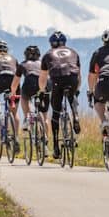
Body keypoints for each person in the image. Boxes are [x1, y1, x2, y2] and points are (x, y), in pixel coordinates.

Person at [38, 30, 81, 159]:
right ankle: (75, 115)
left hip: (57, 80)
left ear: (51, 44)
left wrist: (41, 91)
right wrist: (76, 89)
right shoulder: (74, 52)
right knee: (72, 96)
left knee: (55, 112)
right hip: (73, 79)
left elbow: (43, 78)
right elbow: (79, 74)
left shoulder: (47, 55)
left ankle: (56, 147)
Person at [11, 44, 49, 133]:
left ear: (25, 55)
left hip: (29, 84)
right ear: (39, 55)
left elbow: (14, 84)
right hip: (45, 85)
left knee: (24, 98)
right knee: (45, 116)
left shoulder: (22, 64)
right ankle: (46, 140)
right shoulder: (43, 64)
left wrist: (13, 93)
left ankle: (27, 117)